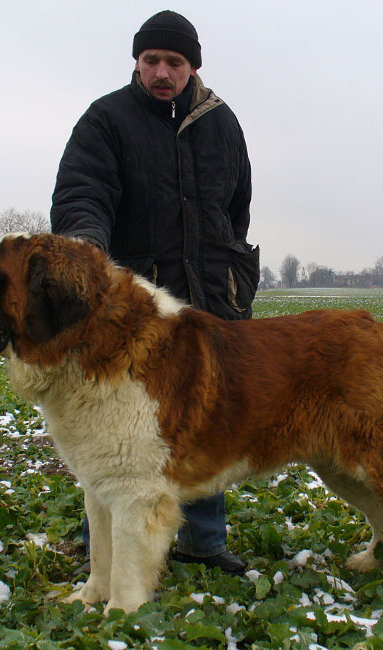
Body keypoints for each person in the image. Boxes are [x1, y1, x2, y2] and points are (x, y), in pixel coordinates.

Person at [50, 10, 259, 578]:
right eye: (151, 60)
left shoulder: (223, 124)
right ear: (137, 63)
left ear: (193, 66)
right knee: (117, 427)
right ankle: (104, 546)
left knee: (205, 420)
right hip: (137, 313)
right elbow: (82, 193)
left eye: (174, 62)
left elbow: (236, 208)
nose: (162, 72)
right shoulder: (106, 120)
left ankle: (203, 542)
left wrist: (228, 269)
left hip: (210, 299)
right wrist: (85, 250)